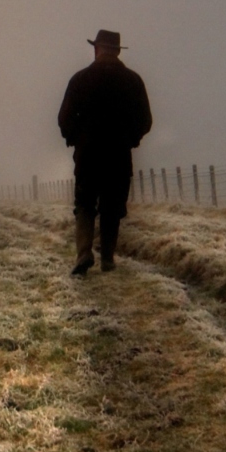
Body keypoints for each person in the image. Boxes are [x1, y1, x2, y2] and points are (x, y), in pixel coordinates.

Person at [57, 29, 152, 275]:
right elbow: (145, 120)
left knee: (85, 205)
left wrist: (73, 138)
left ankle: (84, 253)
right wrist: (131, 139)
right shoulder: (133, 81)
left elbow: (64, 118)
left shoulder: (80, 79)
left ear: (97, 49)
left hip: (88, 155)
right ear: (118, 51)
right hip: (119, 156)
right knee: (112, 207)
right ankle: (108, 258)